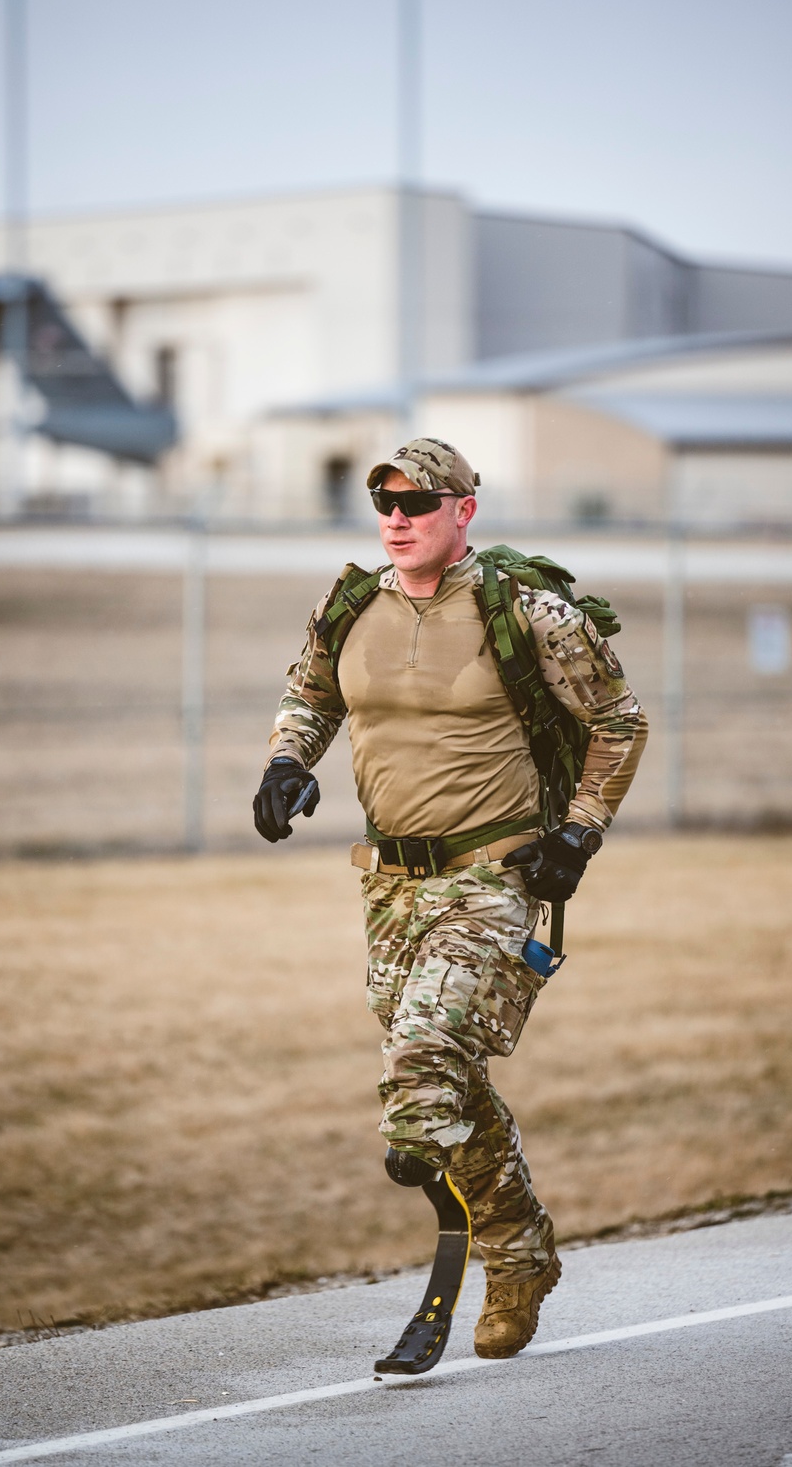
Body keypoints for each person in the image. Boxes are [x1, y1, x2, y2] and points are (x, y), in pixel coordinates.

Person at [254, 438, 647, 1358]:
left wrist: (580, 832)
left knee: (423, 1069)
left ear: (463, 509)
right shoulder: (349, 605)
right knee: (446, 1080)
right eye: (384, 500)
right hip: (389, 884)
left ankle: (483, 1258)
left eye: (419, 501)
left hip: (497, 877)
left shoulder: (530, 615)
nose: (397, 516)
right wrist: (285, 762)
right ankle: (523, 1253)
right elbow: (311, 693)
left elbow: (619, 724)